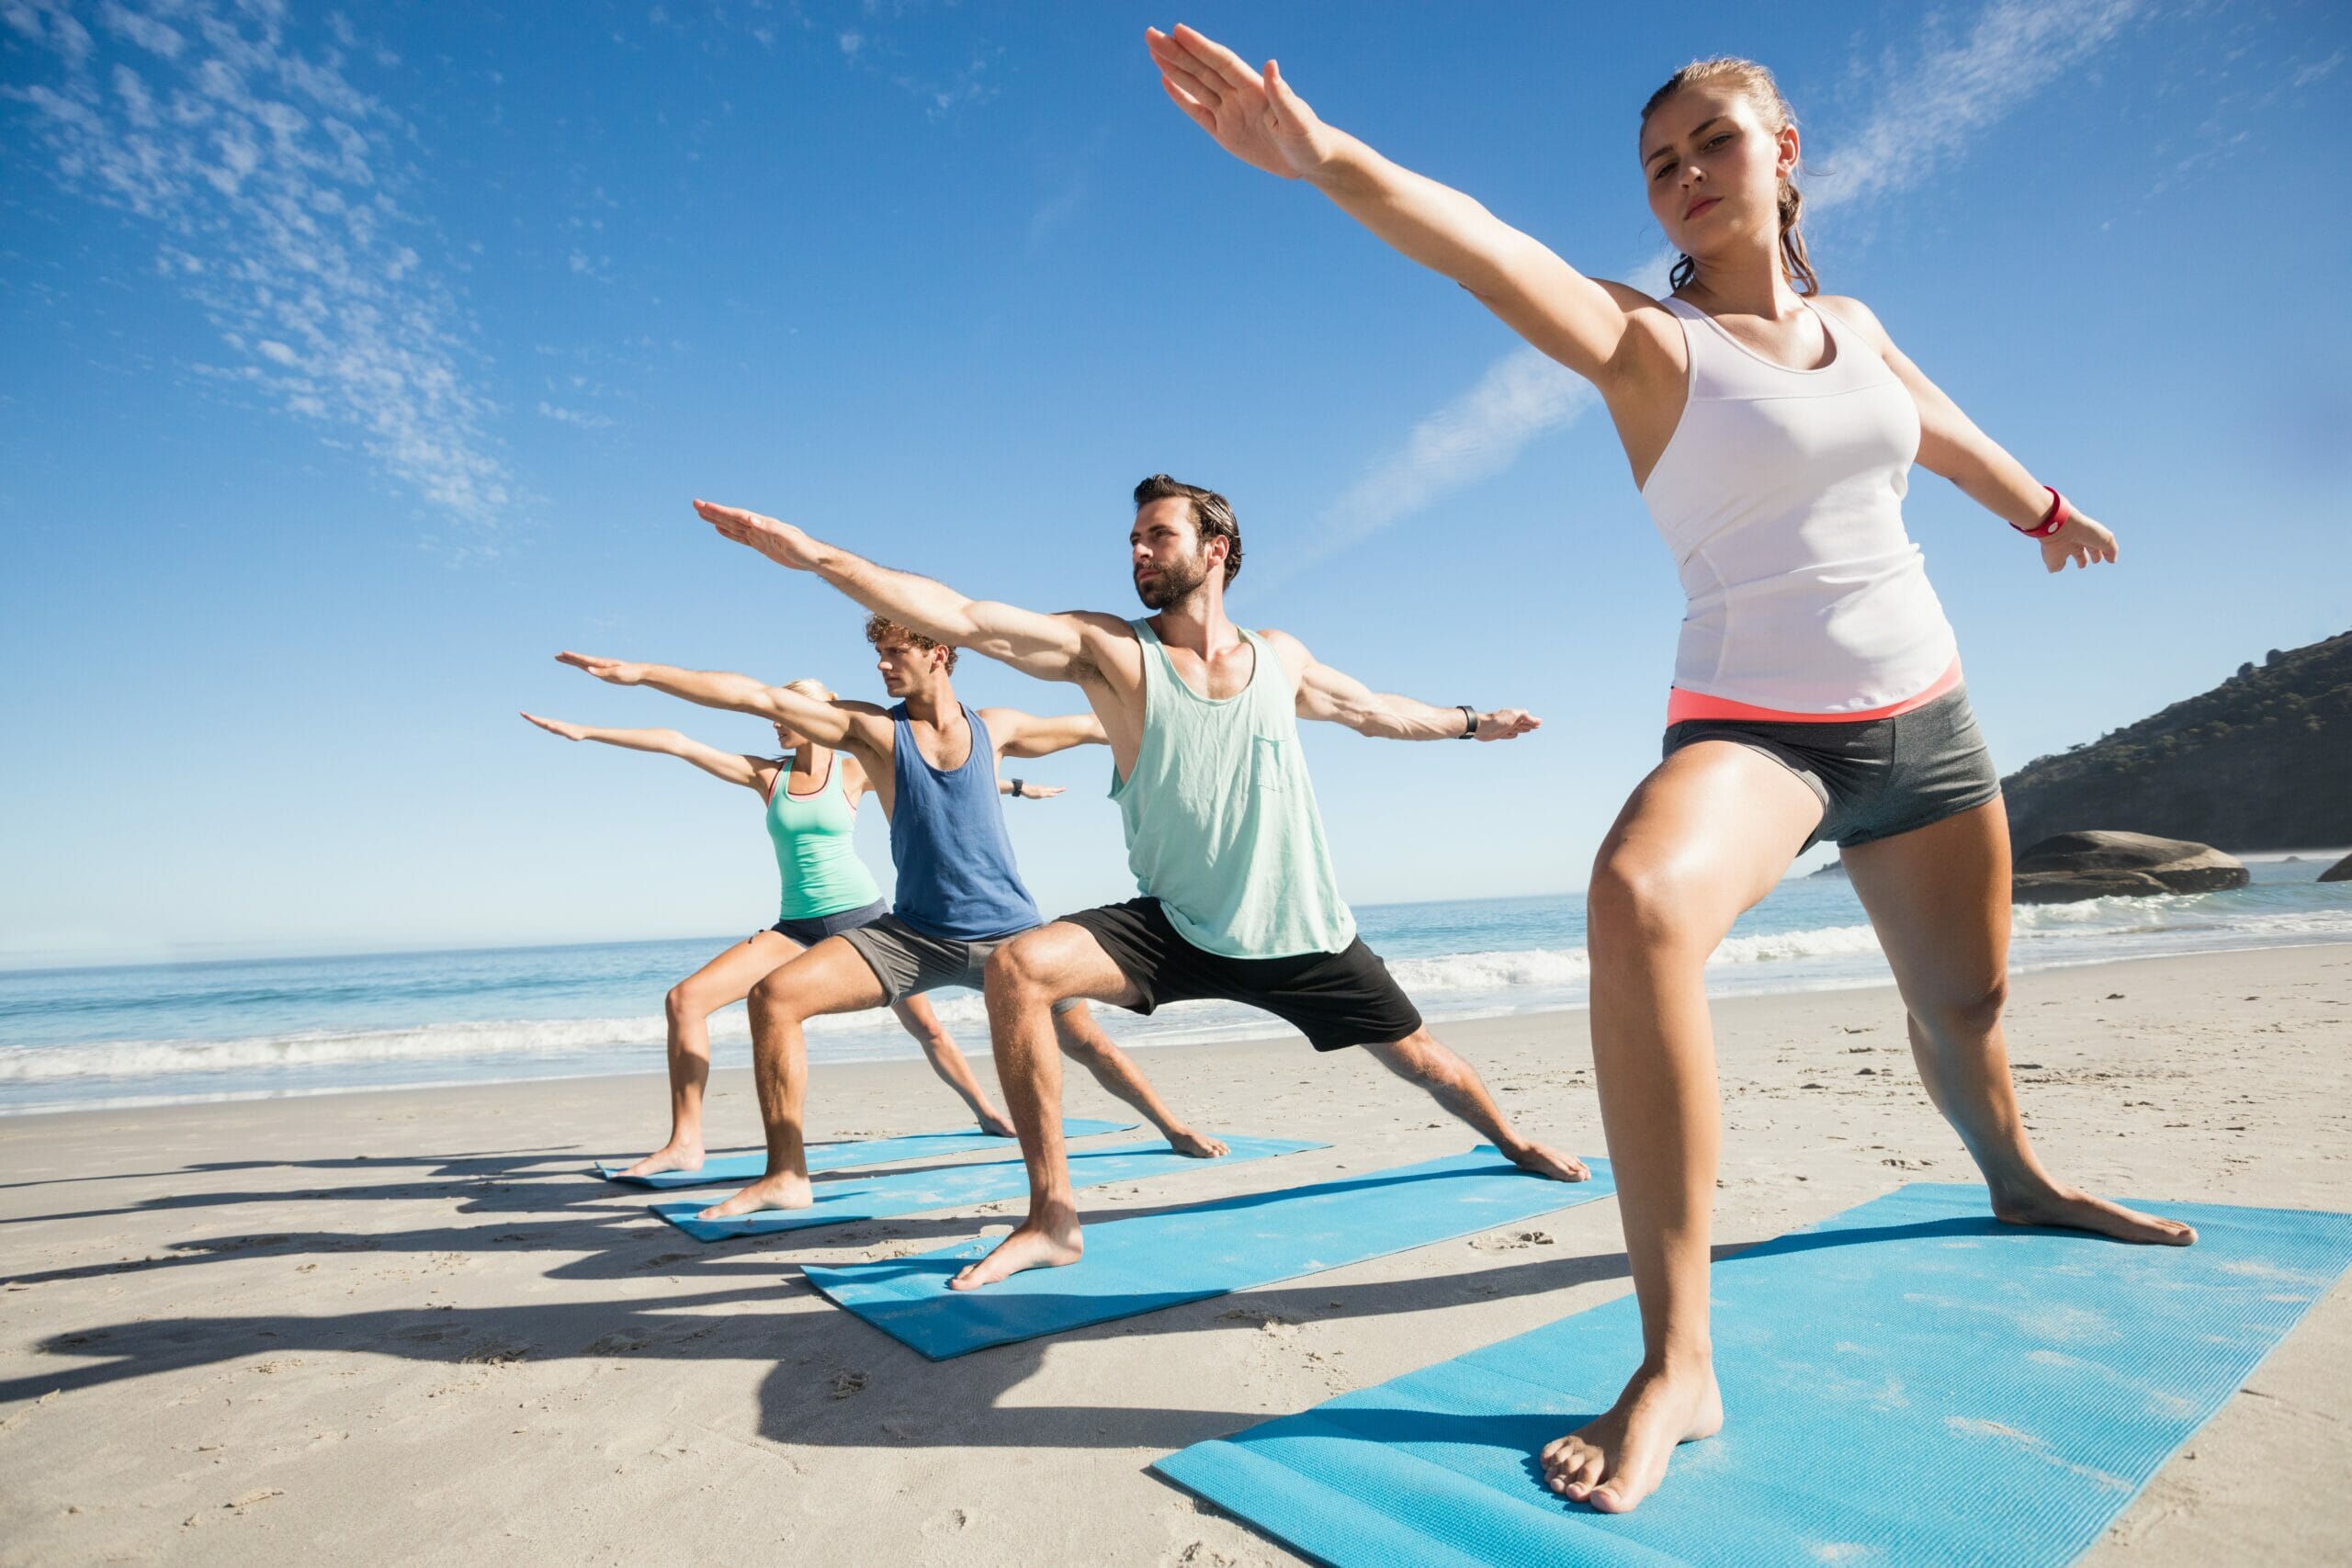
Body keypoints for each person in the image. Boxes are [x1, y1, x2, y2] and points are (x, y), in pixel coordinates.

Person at [1140, 23, 2196, 1514]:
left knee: (1967, 1008)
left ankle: (2015, 1176)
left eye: (1712, 141)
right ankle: (1678, 1357)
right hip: (1761, 735)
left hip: (1930, 718)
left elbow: (1938, 431)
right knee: (1638, 898)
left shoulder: (1867, 328)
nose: (1686, 173)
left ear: (1785, 155)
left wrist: (2044, 508)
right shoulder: (1652, 343)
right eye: (1658, 163)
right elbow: (1488, 251)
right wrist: (1321, 158)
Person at [689, 481, 1589, 1285]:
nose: (1138, 553)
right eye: (1132, 540)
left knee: (1425, 1062)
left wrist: (1473, 722)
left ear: (1217, 550)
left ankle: (1510, 1138)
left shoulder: (1280, 657)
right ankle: (1052, 1217)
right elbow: (963, 617)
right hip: (1176, 927)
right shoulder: (1113, 653)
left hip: (1303, 933)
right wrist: (814, 556)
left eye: (1157, 535)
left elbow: (1377, 711)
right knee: (1020, 970)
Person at [558, 613, 1226, 1223]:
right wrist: (643, 674)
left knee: (1089, 1043)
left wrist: (1199, 718)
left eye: (894, 651)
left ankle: (1170, 1125)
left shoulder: (999, 727)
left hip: (1014, 940)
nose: (881, 664)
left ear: (939, 652)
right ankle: (786, 1173)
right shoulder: (875, 732)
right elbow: (756, 695)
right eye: (877, 653)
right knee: (774, 996)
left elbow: (1103, 724)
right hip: (917, 936)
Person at [520, 693, 1041, 1177]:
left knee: (927, 1030)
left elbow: (941, 777)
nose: (776, 721)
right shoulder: (766, 776)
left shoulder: (854, 769)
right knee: (684, 1000)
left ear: (820, 712)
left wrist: (1016, 786)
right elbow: (677, 743)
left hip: (866, 922)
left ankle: (988, 1113)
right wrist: (587, 732)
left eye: (788, 710)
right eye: (775, 711)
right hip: (795, 927)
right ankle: (685, 1142)